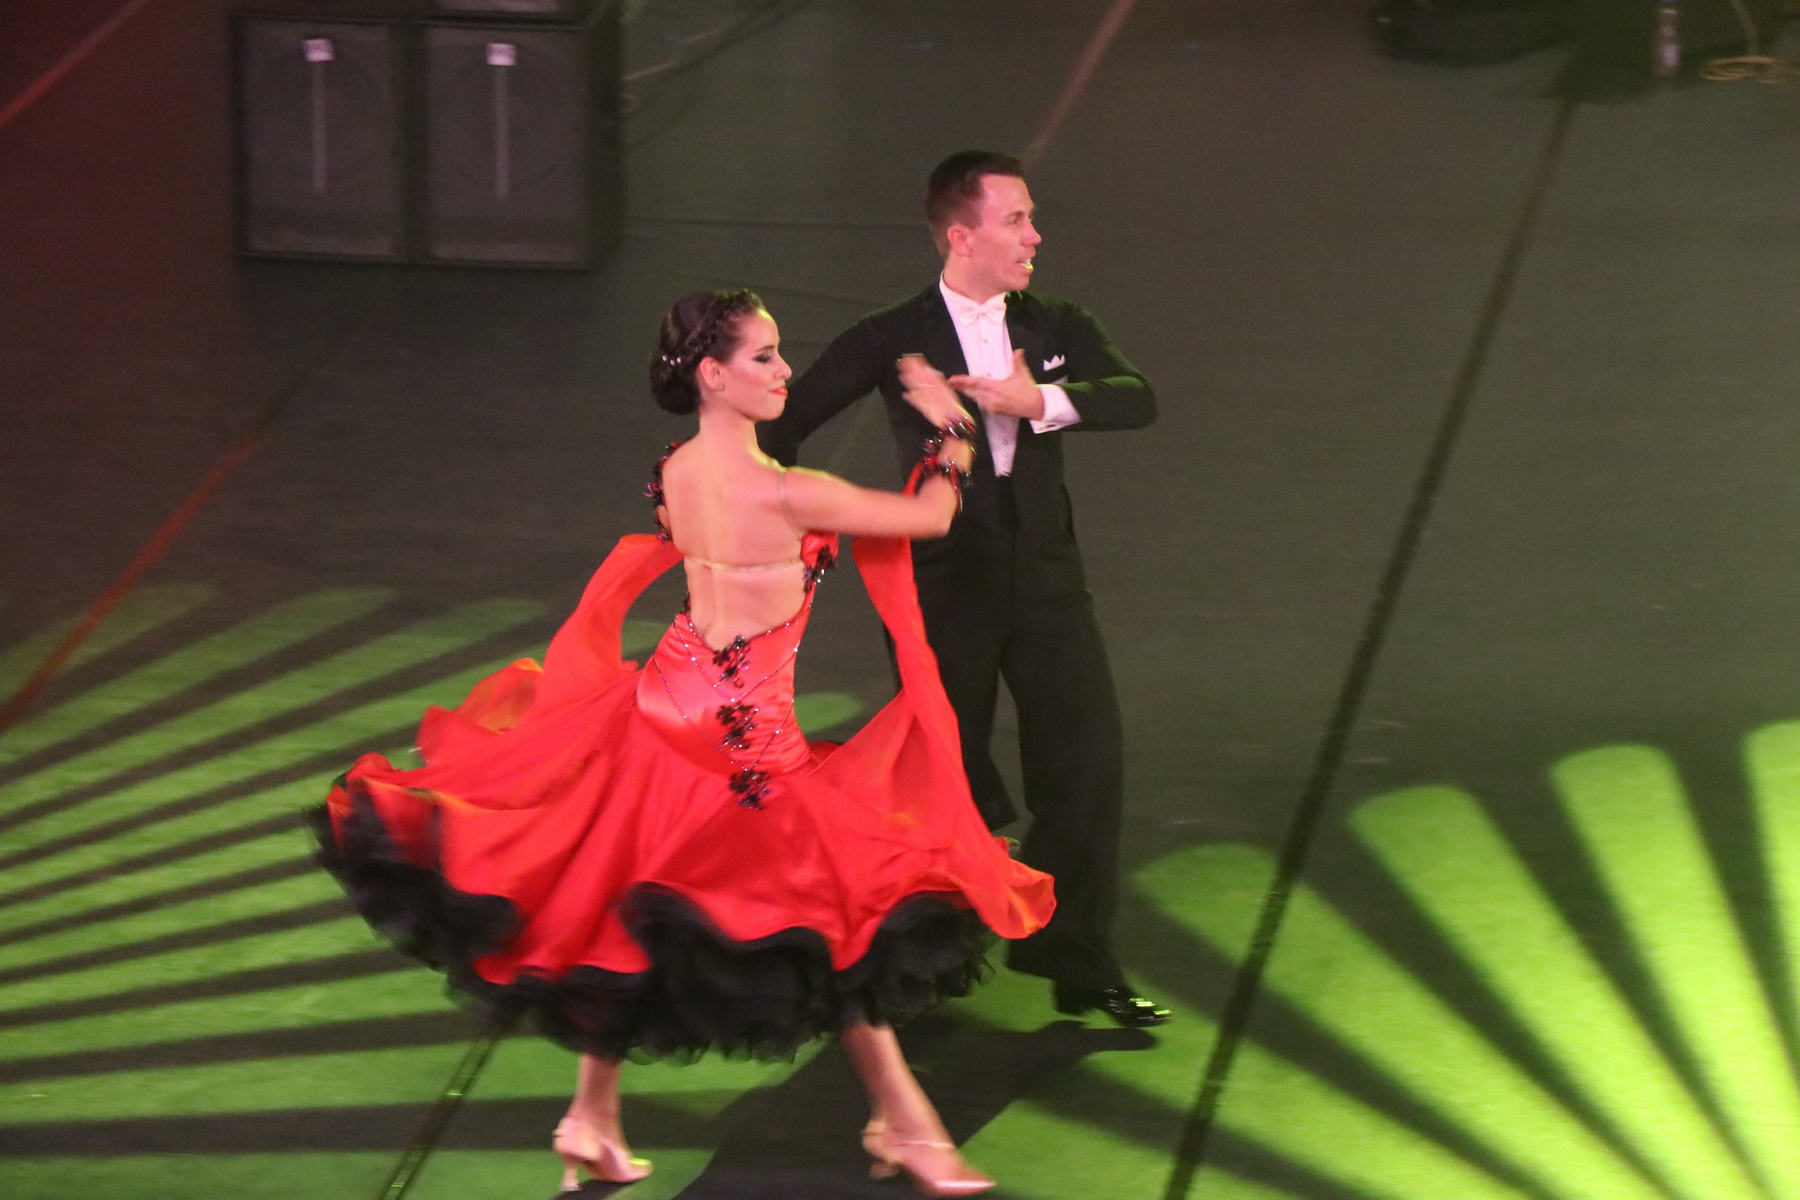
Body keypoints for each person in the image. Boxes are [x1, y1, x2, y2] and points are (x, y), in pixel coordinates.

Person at [310, 290, 1055, 1197]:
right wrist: (951, 429)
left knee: (627, 918)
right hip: (743, 751)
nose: (785, 372)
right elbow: (933, 517)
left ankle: (592, 1120)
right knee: (835, 922)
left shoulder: (679, 469)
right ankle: (910, 1126)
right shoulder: (786, 491)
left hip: (660, 712)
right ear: (712, 374)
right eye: (764, 357)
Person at [759, 150, 1168, 1029]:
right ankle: (925, 966)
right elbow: (784, 426)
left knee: (1088, 759)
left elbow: (1137, 397)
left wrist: (1039, 401)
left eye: (1030, 218)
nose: (1035, 236)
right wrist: (769, 511)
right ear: (962, 236)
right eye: (1016, 220)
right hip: (944, 587)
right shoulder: (889, 337)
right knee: (945, 777)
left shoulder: (1057, 321)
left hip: (1048, 579)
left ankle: (1075, 957)